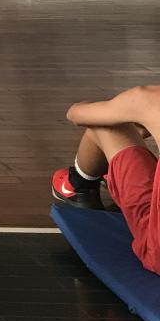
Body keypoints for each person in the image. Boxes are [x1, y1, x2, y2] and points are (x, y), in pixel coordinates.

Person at [51, 86, 160, 274]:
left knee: (105, 125)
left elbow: (75, 114)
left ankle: (77, 184)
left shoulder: (149, 99)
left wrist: (130, 113)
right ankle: (107, 179)